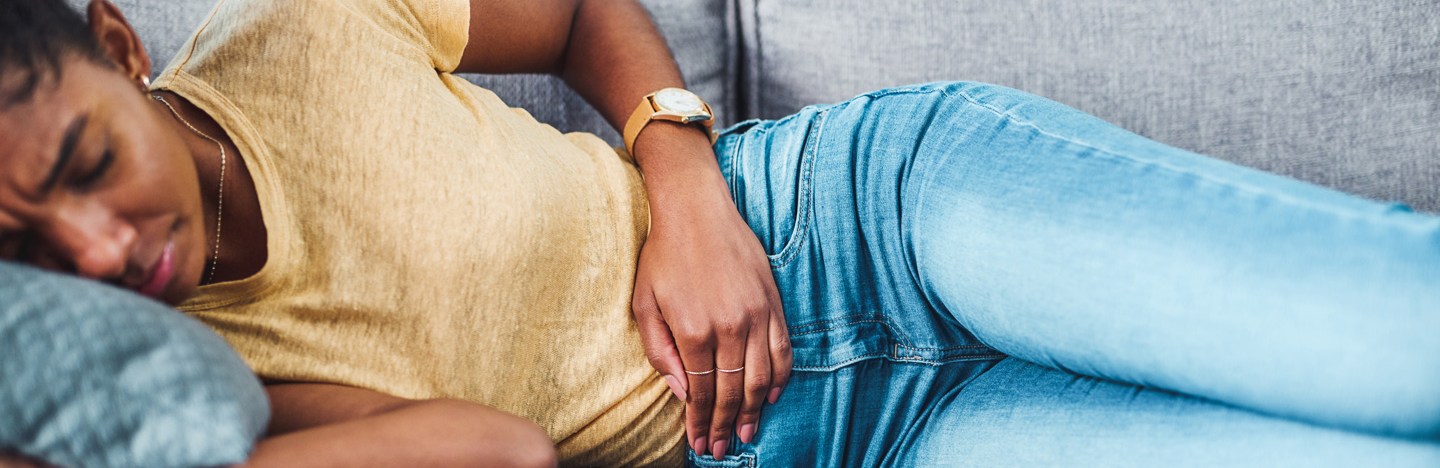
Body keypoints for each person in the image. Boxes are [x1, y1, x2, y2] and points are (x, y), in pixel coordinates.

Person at [1, 0, 1437, 466]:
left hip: (863, 214)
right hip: (851, 445)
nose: (106, 248)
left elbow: (574, 14)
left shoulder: (300, 37)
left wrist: (681, 182)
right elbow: (493, 454)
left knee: (1394, 349)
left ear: (120, 50)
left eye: (85, 162)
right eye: (31, 253)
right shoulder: (179, 388)